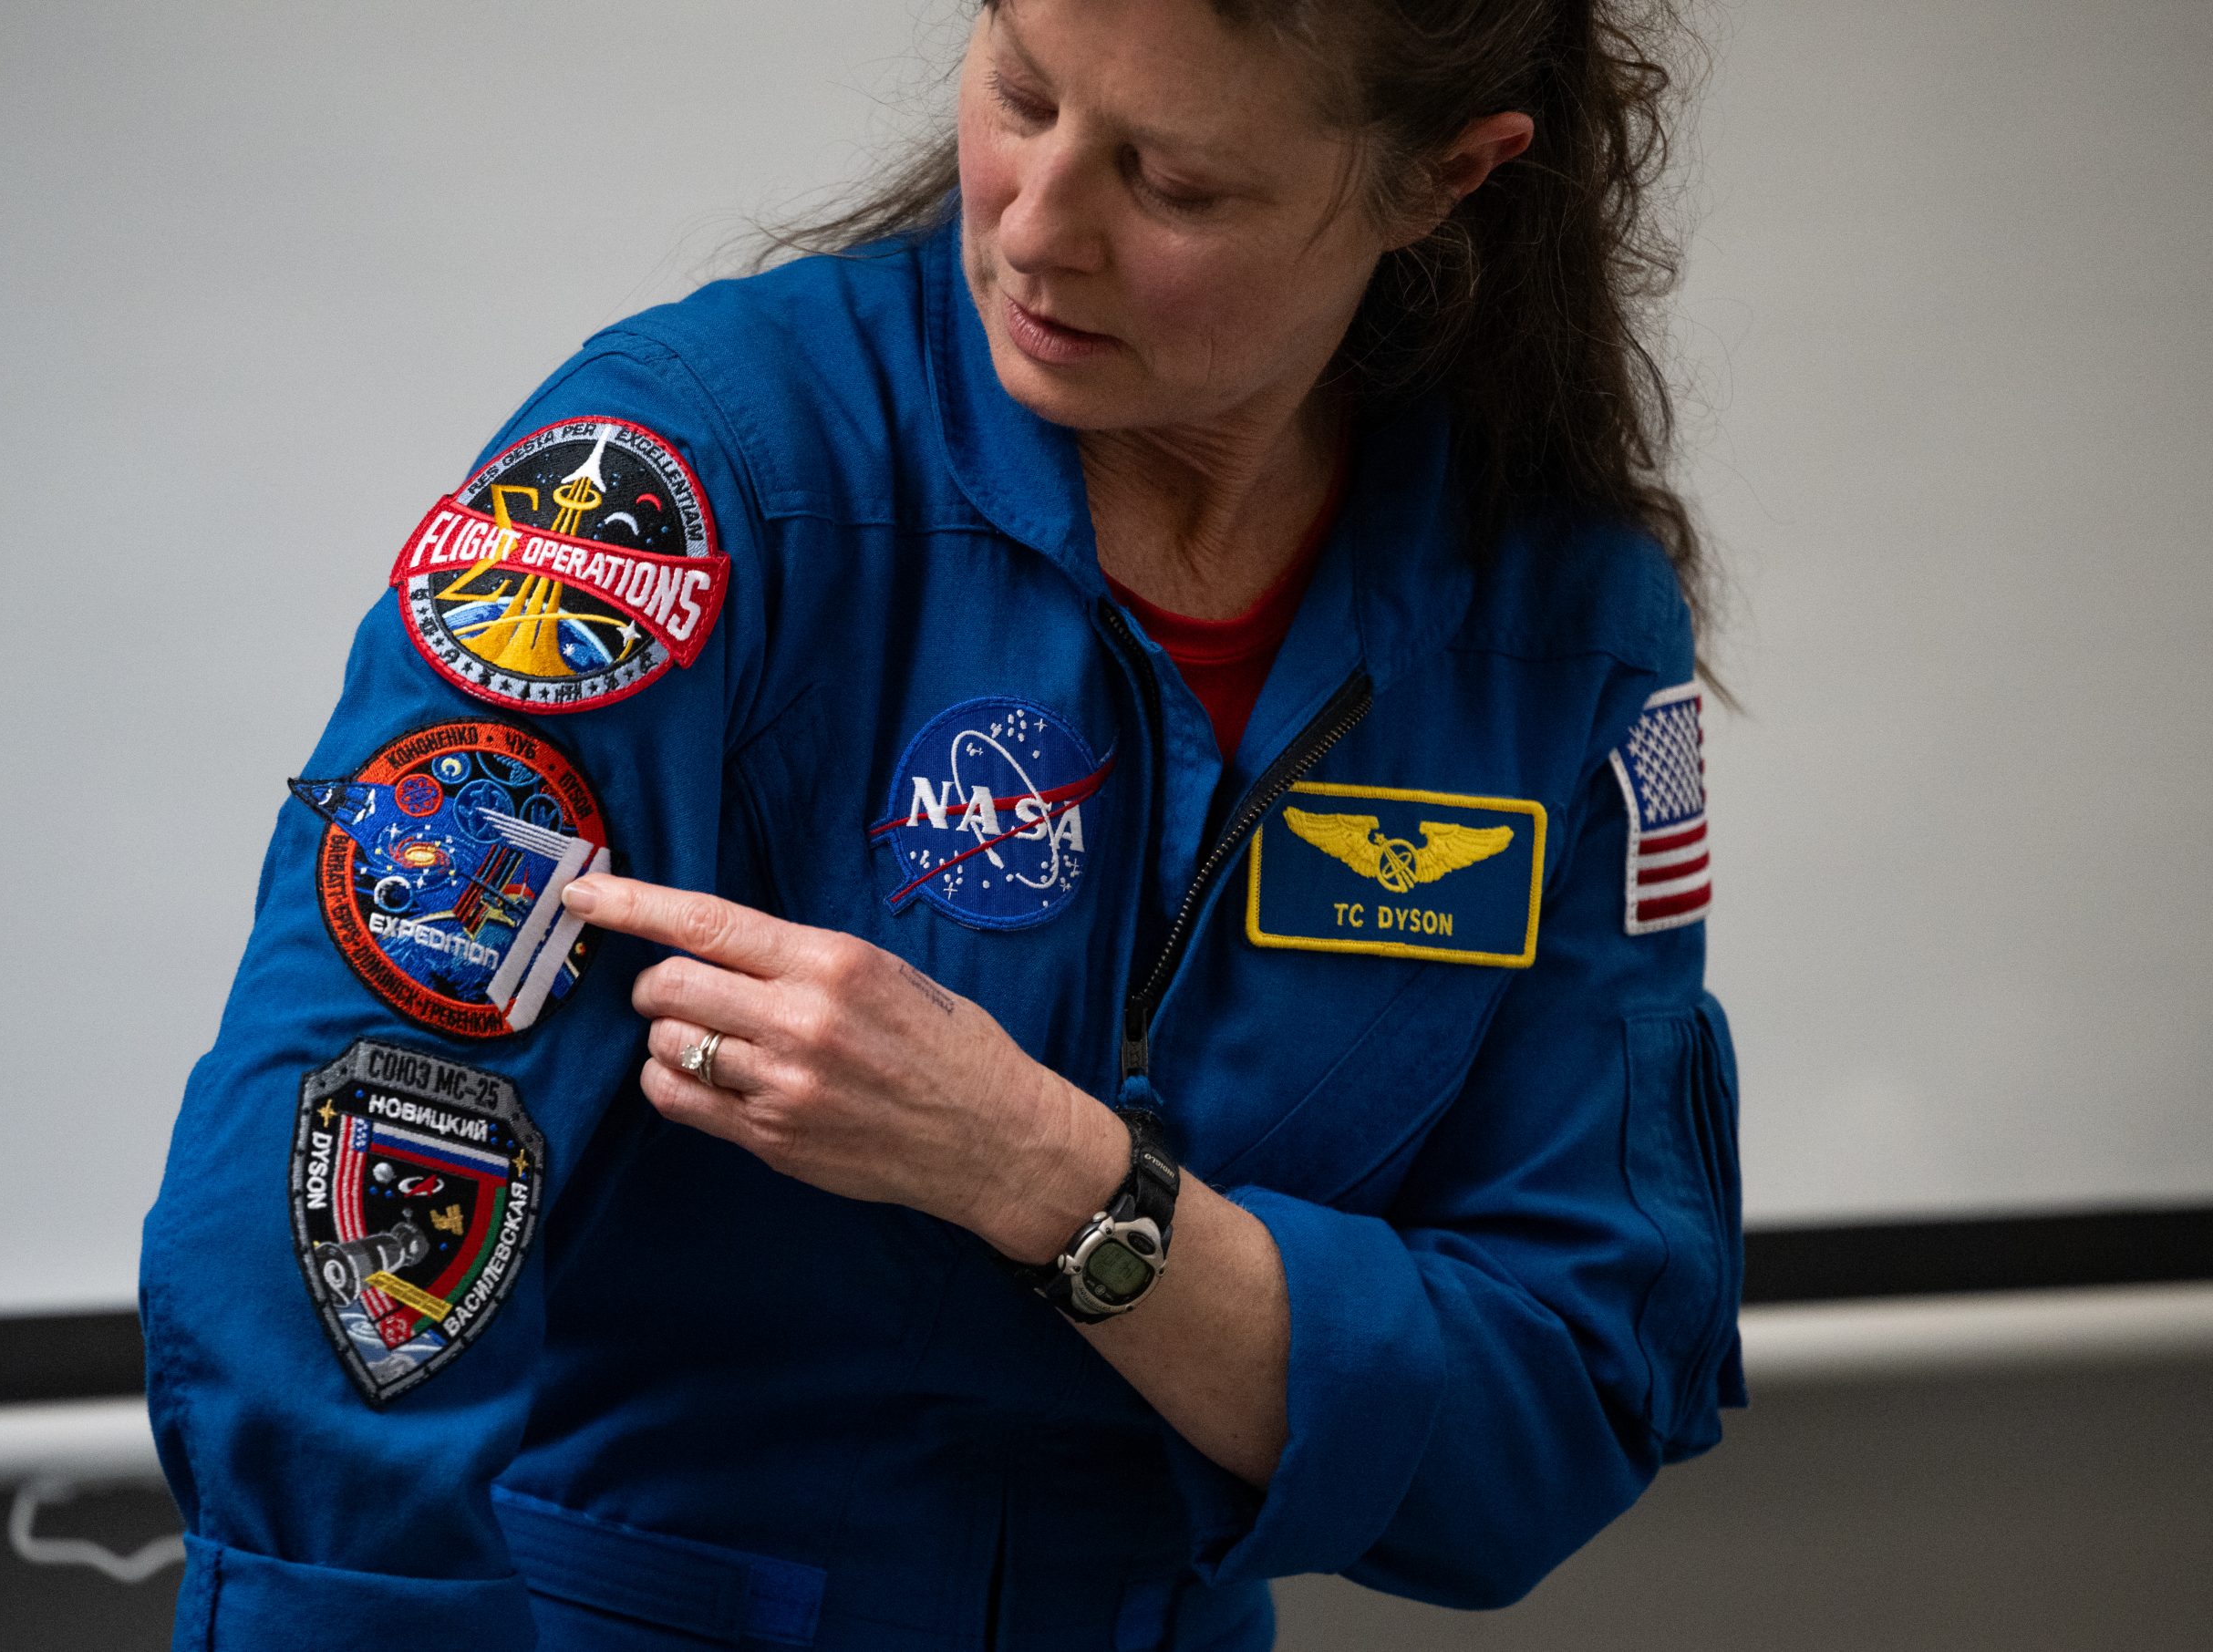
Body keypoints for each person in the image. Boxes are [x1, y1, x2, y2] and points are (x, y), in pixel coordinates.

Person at [141, 0, 1744, 1647]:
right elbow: (369, 1140)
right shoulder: (677, 480)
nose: (1037, 229)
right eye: (1022, 93)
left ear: (1442, 181)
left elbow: (1555, 1403)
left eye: (1175, 183)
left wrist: (1046, 1175)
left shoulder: (1556, 619)